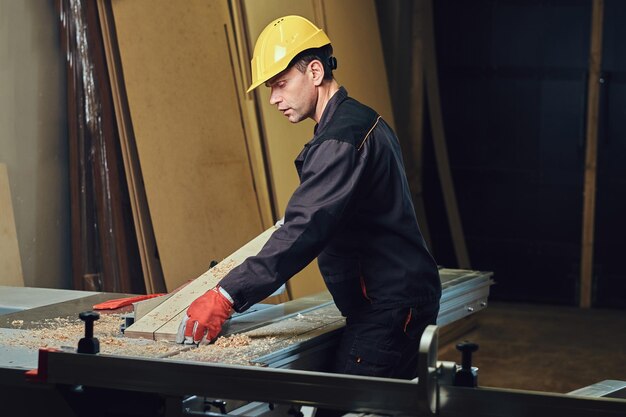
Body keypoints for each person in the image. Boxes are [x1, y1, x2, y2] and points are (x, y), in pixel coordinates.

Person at [177, 15, 441, 380]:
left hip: (388, 308)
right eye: (270, 87)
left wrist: (226, 296)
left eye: (281, 84)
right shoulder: (359, 121)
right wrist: (223, 280)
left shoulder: (342, 139)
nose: (274, 99)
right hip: (395, 301)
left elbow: (306, 228)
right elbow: (310, 221)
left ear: (315, 71)